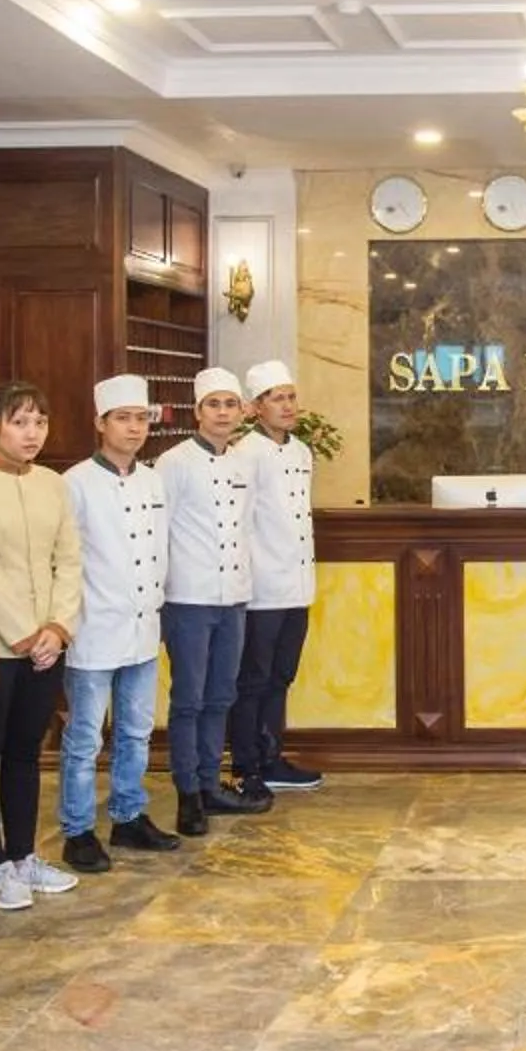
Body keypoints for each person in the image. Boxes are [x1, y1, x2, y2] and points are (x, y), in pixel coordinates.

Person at [0, 381, 85, 911]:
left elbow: (69, 559)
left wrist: (57, 626)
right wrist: (21, 632)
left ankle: (24, 856)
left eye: (39, 422)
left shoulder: (53, 484)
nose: (32, 433)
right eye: (19, 422)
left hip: (46, 644)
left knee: (27, 755)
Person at [64, 375, 175, 862]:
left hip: (143, 628)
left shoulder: (153, 481)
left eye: (141, 418)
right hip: (93, 628)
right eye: (123, 419)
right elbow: (65, 560)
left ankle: (129, 816)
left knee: (136, 731)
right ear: (100, 423)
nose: (134, 428)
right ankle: (78, 830)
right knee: (85, 737)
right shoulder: (74, 484)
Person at [157, 366, 266, 837]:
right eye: (213, 405)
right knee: (189, 700)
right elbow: (159, 533)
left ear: (242, 411)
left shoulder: (244, 462)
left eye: (230, 404)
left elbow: (246, 527)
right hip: (188, 597)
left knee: (221, 695)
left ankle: (209, 784)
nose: (223, 413)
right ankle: (187, 794)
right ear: (197, 411)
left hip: (234, 596)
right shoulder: (174, 463)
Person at [231, 358, 321, 798]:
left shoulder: (302, 451)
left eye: (290, 397)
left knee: (282, 676)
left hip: (297, 586)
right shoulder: (244, 454)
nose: (287, 406)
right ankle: (247, 765)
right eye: (277, 399)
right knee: (253, 680)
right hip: (260, 589)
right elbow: (239, 523)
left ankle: (273, 756)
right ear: (256, 408)